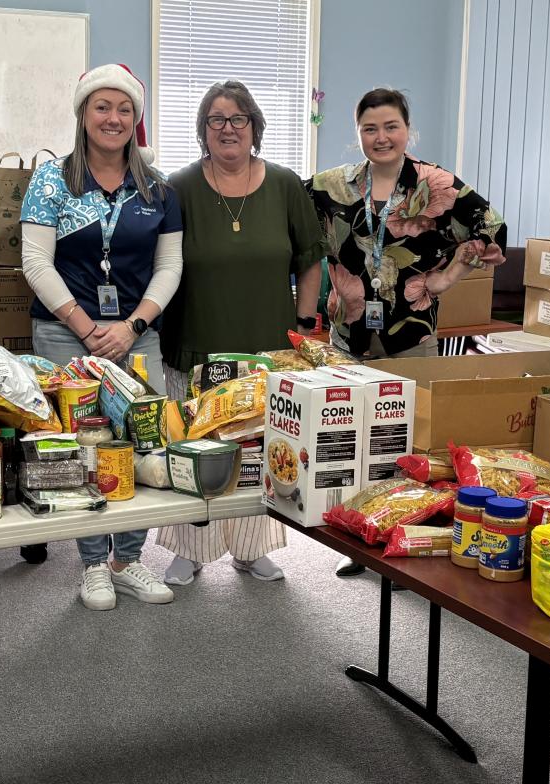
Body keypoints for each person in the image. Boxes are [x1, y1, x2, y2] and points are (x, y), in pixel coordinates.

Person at [306, 87, 505, 577]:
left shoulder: (435, 183)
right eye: (370, 129)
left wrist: (445, 278)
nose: (381, 137)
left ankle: (406, 543)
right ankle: (359, 536)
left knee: (408, 440)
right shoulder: (333, 185)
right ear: (358, 134)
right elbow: (286, 216)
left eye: (391, 126)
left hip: (411, 330)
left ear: (407, 129)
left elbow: (489, 227)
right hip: (347, 333)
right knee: (353, 436)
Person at [18, 63, 183, 610]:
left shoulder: (158, 189)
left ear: (136, 118)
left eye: (124, 109)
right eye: (101, 107)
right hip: (66, 334)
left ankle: (129, 559)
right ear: (83, 114)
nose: (113, 118)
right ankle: (92, 563)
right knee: (81, 446)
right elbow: (36, 262)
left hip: (137, 335)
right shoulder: (53, 181)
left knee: (142, 441)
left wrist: (132, 325)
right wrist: (87, 329)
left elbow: (170, 267)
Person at [156, 80, 325, 586]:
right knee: (195, 447)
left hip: (268, 348)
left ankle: (252, 548)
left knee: (258, 452)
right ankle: (189, 549)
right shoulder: (178, 187)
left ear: (254, 127)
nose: (227, 129)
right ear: (203, 131)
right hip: (197, 344)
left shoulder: (285, 185)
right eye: (216, 120)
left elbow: (310, 259)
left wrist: (303, 325)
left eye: (238, 119)